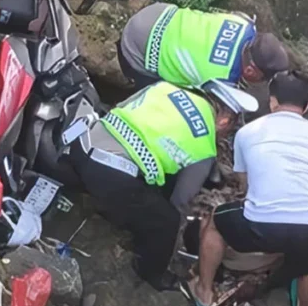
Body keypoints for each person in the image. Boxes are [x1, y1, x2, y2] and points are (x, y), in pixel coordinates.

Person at [190, 71, 308, 306]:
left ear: (272, 102)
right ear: (306, 107)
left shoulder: (247, 132)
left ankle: (204, 292)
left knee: (214, 221)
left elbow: (246, 186)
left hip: (260, 225)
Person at [67, 79, 250, 291]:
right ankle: (150, 273)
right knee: (166, 222)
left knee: (149, 190)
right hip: (108, 172)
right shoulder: (205, 145)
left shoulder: (166, 88)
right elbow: (180, 201)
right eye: (228, 132)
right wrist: (174, 238)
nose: (223, 137)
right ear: (224, 121)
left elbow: (121, 107)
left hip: (84, 142)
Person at [117, 2, 290, 91]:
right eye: (262, 79)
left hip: (158, 12)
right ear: (250, 71)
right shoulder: (221, 81)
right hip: (137, 46)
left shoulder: (243, 22)